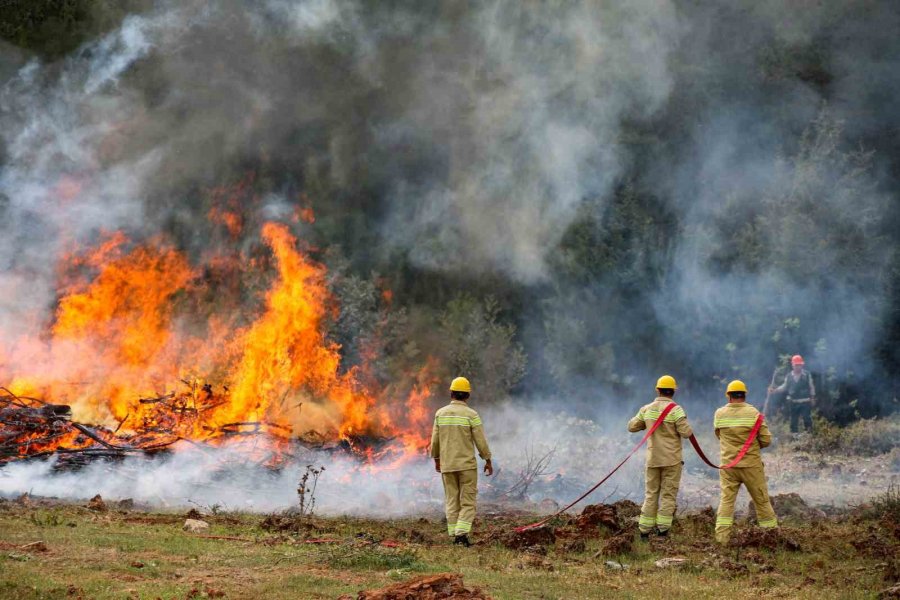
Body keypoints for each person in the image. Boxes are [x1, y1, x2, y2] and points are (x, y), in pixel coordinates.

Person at [627, 375, 693, 540]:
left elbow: (632, 427)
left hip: (653, 460)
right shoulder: (676, 410)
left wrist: (646, 422)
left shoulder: (647, 409)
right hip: (672, 460)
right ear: (673, 391)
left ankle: (644, 532)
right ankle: (662, 532)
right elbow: (687, 433)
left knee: (651, 494)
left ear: (657, 390)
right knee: (668, 495)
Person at [430, 376, 493, 547]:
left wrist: (437, 459)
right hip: (466, 466)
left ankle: (454, 533)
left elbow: (435, 441)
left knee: (451, 499)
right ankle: (461, 535)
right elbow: (480, 441)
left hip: (448, 465)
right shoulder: (472, 415)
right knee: (468, 501)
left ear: (451, 393)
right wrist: (487, 459)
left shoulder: (440, 414)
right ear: (467, 396)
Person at [714, 380, 777, 544]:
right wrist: (753, 446)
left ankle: (722, 539)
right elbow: (766, 440)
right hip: (751, 466)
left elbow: (719, 435)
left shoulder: (719, 413)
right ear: (744, 395)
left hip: (728, 466)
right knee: (762, 501)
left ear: (729, 396)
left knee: (726, 501)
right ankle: (770, 537)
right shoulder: (754, 413)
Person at [769, 354, 816, 433]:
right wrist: (775, 390)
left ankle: (809, 437)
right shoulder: (789, 376)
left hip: (805, 401)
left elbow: (811, 386)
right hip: (793, 402)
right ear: (793, 365)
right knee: (793, 422)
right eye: (796, 365)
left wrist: (813, 397)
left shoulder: (807, 375)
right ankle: (794, 439)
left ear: (802, 365)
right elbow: (784, 386)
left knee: (807, 420)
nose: (798, 367)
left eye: (800, 365)